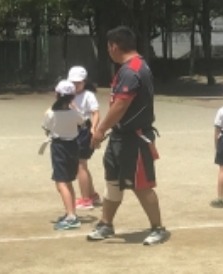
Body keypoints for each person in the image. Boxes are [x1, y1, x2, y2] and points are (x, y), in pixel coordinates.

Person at [87, 26, 167, 245]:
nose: (108, 51)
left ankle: (157, 228)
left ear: (114, 46)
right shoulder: (128, 68)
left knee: (142, 185)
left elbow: (121, 105)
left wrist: (100, 129)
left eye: (108, 47)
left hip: (135, 138)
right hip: (120, 136)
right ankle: (106, 224)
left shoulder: (133, 70)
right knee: (112, 181)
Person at [43, 80, 84, 230]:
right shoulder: (74, 113)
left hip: (59, 147)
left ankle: (71, 217)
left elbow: (46, 128)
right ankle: (71, 212)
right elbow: (82, 122)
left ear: (57, 94)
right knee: (68, 181)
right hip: (73, 146)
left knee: (61, 182)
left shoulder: (50, 113)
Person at [67, 66, 101, 210]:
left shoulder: (88, 95)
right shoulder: (68, 95)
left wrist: (94, 128)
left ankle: (86, 199)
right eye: (72, 82)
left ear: (84, 82)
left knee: (81, 165)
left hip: (84, 131)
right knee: (80, 165)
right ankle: (92, 194)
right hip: (73, 131)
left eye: (78, 82)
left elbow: (95, 113)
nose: (75, 85)